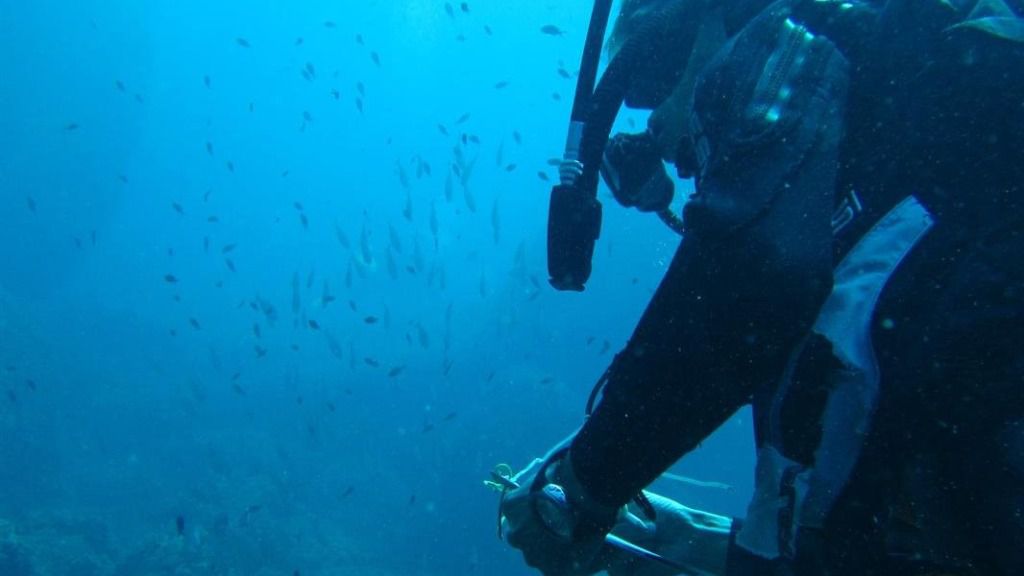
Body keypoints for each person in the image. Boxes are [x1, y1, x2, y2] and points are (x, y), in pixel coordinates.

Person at [500, 0, 1024, 574]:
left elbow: (754, 278)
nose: (660, 137)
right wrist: (676, 541)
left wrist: (584, 485)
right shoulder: (860, 245)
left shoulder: (790, 45)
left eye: (660, 77)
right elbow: (867, 540)